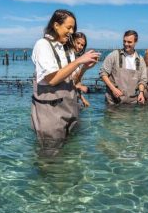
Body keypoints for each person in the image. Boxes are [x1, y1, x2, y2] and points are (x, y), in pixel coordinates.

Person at [31, 9, 100, 151]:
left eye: (73, 28)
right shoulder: (43, 45)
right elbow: (52, 79)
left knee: (69, 152)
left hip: (70, 111)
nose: (71, 32)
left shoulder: (66, 50)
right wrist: (79, 60)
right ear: (56, 25)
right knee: (49, 155)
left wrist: (84, 67)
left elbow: (74, 81)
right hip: (50, 113)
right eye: (68, 27)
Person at [100, 30, 147, 105]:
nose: (126, 44)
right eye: (124, 41)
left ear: (136, 42)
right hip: (113, 102)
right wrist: (113, 89)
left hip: (132, 103)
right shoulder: (114, 55)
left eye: (129, 42)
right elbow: (103, 73)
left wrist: (141, 93)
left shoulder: (140, 60)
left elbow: (143, 80)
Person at [72, 32, 90, 107]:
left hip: (74, 98)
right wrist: (79, 87)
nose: (79, 46)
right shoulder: (65, 58)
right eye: (78, 43)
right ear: (72, 41)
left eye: (82, 45)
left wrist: (82, 99)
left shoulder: (77, 59)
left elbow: (76, 81)